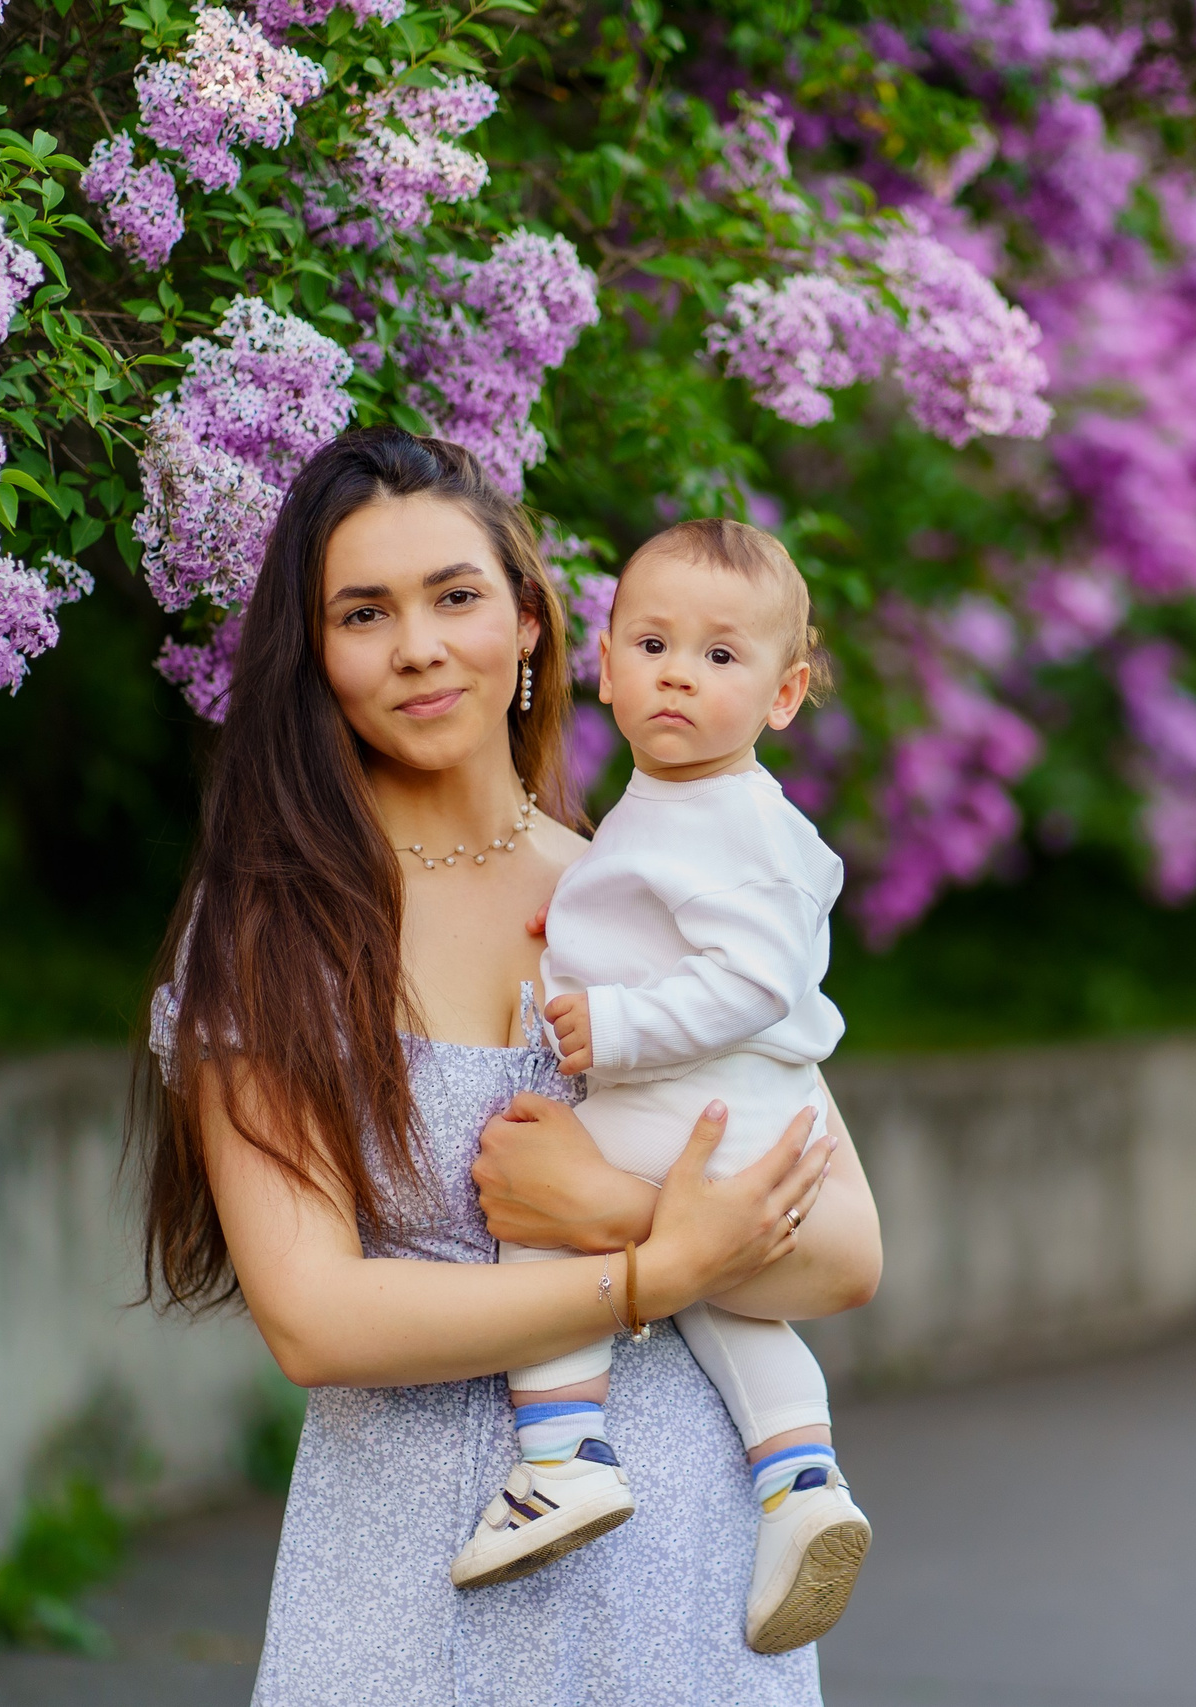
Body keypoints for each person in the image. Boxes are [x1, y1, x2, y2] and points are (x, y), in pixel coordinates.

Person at [134, 426, 884, 1707]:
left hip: (687, 1572)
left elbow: (845, 1250)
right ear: (314, 658)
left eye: (457, 597)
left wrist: (615, 1219)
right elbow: (316, 1320)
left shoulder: (639, 894)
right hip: (408, 1584)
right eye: (363, 612)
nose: (419, 646)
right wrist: (652, 1273)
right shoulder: (274, 928)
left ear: (530, 625)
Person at [453, 517, 869, 1657]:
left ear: (783, 698)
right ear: (603, 660)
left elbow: (752, 974)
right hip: (731, 1111)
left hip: (691, 1108)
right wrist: (583, 938)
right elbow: (660, 920)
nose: (679, 672)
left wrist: (621, 1022)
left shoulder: (736, 819)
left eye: (721, 657)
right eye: (651, 642)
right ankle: (801, 1485)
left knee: (541, 1215)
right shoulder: (679, 807)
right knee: (729, 1298)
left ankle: (561, 1459)